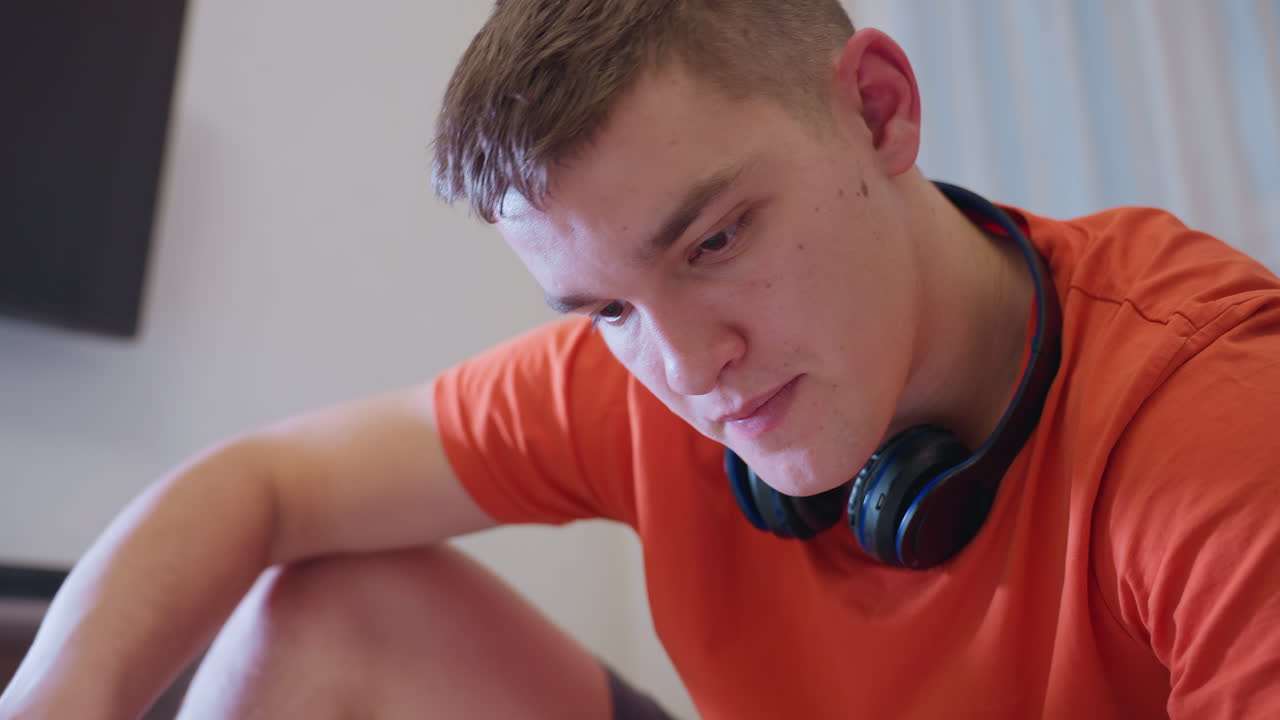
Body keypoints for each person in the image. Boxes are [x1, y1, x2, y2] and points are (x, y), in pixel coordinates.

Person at [3, 0, 1279, 717]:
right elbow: (261, 485)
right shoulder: (644, 371)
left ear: (877, 109)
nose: (689, 369)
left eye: (716, 237)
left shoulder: (1215, 421)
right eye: (601, 310)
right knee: (328, 609)